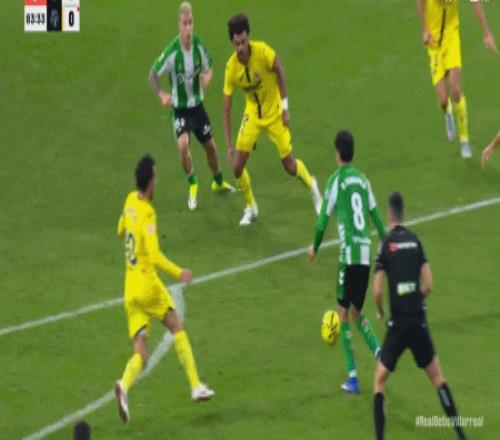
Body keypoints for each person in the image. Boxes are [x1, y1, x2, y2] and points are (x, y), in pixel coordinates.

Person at [115, 154, 214, 424]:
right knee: (176, 325)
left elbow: (120, 229)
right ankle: (196, 385)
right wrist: (179, 272)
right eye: (156, 178)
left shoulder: (129, 200)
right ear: (149, 182)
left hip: (130, 289)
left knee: (141, 352)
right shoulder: (148, 213)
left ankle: (123, 386)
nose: (157, 182)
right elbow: (155, 255)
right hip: (148, 285)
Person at [373, 192, 467, 440]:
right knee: (438, 378)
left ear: (389, 214)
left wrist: (381, 310)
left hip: (397, 325)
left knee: (379, 381)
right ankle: (461, 434)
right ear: (403, 213)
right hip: (418, 321)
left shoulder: (385, 244)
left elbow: (377, 291)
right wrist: (415, 298)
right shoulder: (416, 241)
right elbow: (429, 284)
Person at [223, 13, 322, 225]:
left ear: (248, 37)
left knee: (290, 166)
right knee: (237, 167)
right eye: (236, 43)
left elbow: (280, 70)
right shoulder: (231, 68)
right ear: (232, 42)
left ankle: (312, 185)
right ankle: (251, 207)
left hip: (275, 112)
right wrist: (229, 145)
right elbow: (227, 107)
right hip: (253, 114)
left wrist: (285, 108)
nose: (240, 47)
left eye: (243, 42)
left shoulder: (263, 52)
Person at [308, 130, 386, 394]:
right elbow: (377, 218)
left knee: (342, 314)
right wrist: (387, 247)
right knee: (356, 313)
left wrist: (315, 246)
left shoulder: (335, 181)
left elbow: (322, 221)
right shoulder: (363, 181)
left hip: (348, 256)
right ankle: (380, 355)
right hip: (364, 255)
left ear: (338, 153)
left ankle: (353, 377)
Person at [149, 1, 234, 210]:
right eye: (184, 23)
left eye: (190, 23)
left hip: (198, 109)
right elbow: (152, 74)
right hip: (180, 110)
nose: (188, 28)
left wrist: (207, 78)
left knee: (211, 149)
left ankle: (218, 181)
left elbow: (210, 68)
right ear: (179, 25)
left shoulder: (199, 47)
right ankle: (193, 183)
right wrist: (161, 94)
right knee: (183, 145)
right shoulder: (172, 52)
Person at [416, 0, 497, 159]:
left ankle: (464, 139)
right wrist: (424, 29)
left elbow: (475, 2)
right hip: (434, 42)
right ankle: (447, 112)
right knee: (443, 100)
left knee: (455, 89)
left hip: (451, 36)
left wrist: (486, 33)